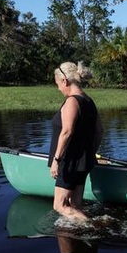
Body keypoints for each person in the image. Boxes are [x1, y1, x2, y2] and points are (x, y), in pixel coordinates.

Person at [48, 61, 102, 223]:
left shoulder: (72, 101)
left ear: (65, 81)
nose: (58, 89)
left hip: (69, 161)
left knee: (60, 206)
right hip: (83, 160)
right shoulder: (89, 101)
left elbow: (67, 131)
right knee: (75, 205)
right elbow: (99, 131)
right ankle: (81, 240)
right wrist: (91, 152)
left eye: (58, 84)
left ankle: (93, 226)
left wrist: (56, 160)